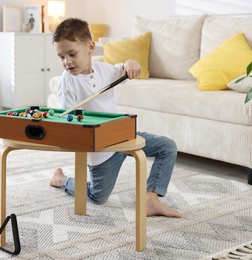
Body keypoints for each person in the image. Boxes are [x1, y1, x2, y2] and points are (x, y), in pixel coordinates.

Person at [50, 18, 181, 218]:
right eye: (61, 57)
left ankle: (150, 199)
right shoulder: (68, 80)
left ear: (91, 47)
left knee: (167, 147)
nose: (67, 61)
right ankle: (62, 180)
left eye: (72, 54)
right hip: (101, 150)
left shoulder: (104, 69)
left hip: (122, 135)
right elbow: (67, 116)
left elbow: (123, 69)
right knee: (98, 197)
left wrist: (131, 63)